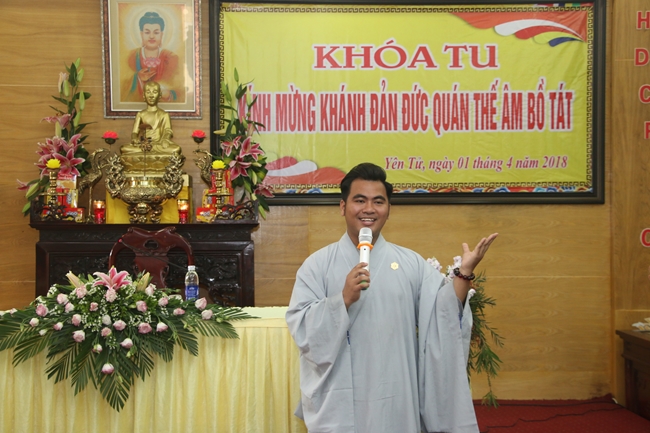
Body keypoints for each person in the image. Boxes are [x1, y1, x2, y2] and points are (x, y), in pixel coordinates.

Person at [286, 163, 498, 433]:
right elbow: (302, 327)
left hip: (397, 390)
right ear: (342, 207)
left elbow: (441, 314)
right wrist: (342, 300)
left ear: (388, 209)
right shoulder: (317, 265)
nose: (369, 209)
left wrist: (464, 273)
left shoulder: (410, 263)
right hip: (342, 394)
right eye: (359, 200)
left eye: (378, 201)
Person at [120, 81, 181, 173]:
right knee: (124, 149)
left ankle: (149, 160)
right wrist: (134, 139)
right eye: (148, 92)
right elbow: (134, 132)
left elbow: (168, 130)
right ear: (144, 95)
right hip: (143, 146)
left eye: (154, 92)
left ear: (159, 95)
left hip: (158, 145)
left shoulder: (164, 114)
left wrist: (165, 139)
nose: (151, 95)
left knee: (176, 149)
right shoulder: (140, 114)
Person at [122, 11, 181, 103]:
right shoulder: (132, 56)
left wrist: (168, 94)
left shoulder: (171, 58)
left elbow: (180, 88)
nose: (152, 36)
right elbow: (123, 86)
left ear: (161, 34)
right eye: (147, 32)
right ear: (141, 34)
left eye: (156, 32)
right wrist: (138, 78)